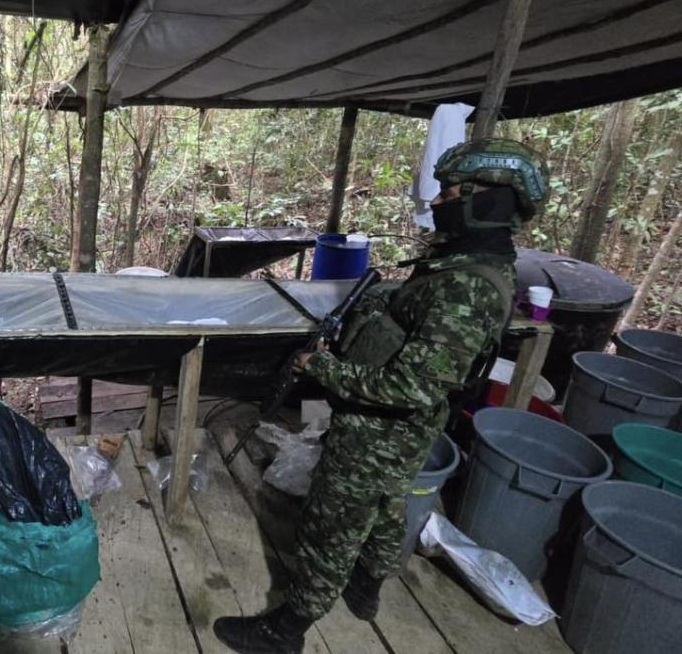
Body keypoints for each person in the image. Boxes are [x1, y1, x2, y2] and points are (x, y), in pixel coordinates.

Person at [214, 138, 547, 654]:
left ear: (488, 201)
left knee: (332, 523)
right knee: (388, 506)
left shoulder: (468, 287)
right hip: (405, 433)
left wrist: (321, 366)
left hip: (378, 430)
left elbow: (408, 386)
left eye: (452, 192)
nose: (438, 203)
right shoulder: (468, 265)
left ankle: (287, 629)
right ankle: (367, 586)